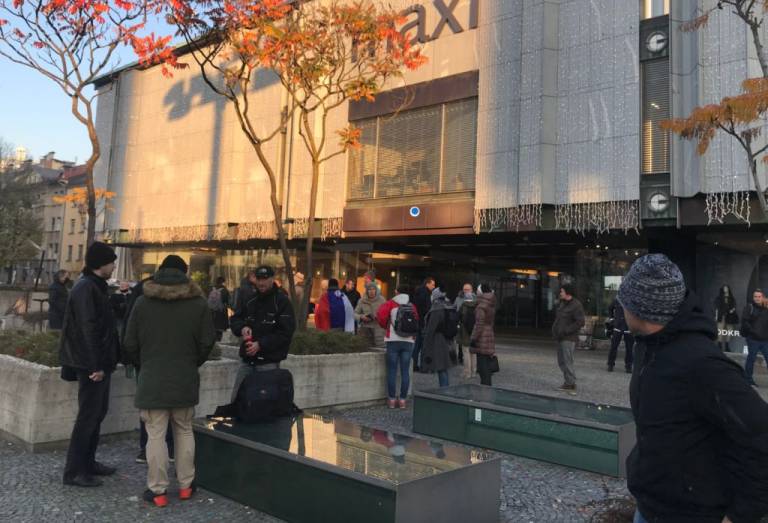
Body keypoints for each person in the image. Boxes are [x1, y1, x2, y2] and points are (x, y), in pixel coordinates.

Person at [618, 254, 768, 523]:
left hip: (692, 513)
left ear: (640, 309)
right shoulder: (647, 346)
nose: (621, 309)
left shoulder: (702, 365)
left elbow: (761, 434)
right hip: (650, 505)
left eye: (624, 302)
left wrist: (740, 515)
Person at [123, 255, 216, 507]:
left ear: (159, 272)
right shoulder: (198, 304)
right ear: (185, 273)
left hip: (152, 377)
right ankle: (186, 486)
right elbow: (208, 341)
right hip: (185, 377)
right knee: (184, 430)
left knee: (155, 434)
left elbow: (129, 342)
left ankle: (158, 490)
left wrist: (146, 363)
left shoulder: (143, 302)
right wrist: (191, 362)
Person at [59, 242, 119, 488]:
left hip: (98, 363)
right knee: (88, 417)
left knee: (96, 414)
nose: (113, 266)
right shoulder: (86, 287)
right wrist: (96, 366)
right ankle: (74, 471)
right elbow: (88, 329)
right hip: (90, 365)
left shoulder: (95, 286)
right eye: (111, 262)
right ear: (100, 264)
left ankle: (88, 463)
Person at [229, 265, 296, 402]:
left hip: (268, 363)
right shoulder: (250, 299)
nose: (261, 282)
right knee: (237, 401)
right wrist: (242, 328)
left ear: (272, 279)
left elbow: (285, 333)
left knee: (264, 404)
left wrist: (261, 344)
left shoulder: (282, 302)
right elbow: (235, 319)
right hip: (247, 361)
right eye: (259, 279)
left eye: (265, 279)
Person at [377, 285, 419, 409]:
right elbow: (416, 321)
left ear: (396, 292)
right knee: (405, 371)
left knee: (392, 370)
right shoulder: (412, 306)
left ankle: (391, 400)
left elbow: (381, 316)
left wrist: (386, 326)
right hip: (408, 341)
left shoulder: (390, 304)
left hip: (393, 340)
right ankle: (402, 400)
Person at [551, 283, 585, 394]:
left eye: (562, 291)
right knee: (561, 361)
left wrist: (566, 330)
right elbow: (559, 319)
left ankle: (570, 384)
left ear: (567, 292)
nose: (560, 293)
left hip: (569, 338)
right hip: (560, 337)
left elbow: (580, 322)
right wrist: (555, 330)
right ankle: (568, 382)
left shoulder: (576, 305)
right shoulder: (562, 304)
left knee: (567, 361)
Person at [422, 288, 455, 387]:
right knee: (444, 367)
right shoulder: (448, 305)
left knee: (441, 367)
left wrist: (426, 343)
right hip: (448, 338)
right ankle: (445, 388)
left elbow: (431, 328)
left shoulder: (437, 308)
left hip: (438, 340)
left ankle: (444, 390)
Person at [470, 283, 496, 386]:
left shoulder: (481, 306)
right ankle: (487, 386)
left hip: (482, 337)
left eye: (477, 291)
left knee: (482, 366)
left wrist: (473, 338)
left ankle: (485, 389)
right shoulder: (490, 303)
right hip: (489, 333)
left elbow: (479, 324)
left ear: (481, 292)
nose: (476, 293)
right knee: (487, 364)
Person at [740, 289, 768, 387]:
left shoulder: (766, 307)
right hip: (753, 339)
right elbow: (745, 322)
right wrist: (754, 332)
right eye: (755, 296)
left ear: (762, 297)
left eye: (759, 296)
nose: (757, 298)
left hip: (765, 340)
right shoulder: (749, 307)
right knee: (751, 359)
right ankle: (748, 379)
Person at [412, 277, 436, 372]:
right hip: (423, 323)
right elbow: (426, 309)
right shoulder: (425, 293)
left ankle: (414, 365)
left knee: (416, 346)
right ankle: (424, 367)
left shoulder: (418, 292)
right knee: (424, 346)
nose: (434, 287)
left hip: (417, 322)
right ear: (427, 284)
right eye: (432, 284)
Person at [606, 298, 633, 373]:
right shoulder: (617, 299)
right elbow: (610, 308)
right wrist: (612, 319)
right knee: (613, 347)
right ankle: (610, 364)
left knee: (629, 348)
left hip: (629, 327)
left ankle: (629, 366)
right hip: (617, 326)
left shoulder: (633, 299)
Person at [354, 282, 386, 347]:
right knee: (365, 349)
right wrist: (361, 317)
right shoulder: (362, 300)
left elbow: (386, 314)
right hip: (365, 330)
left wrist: (378, 317)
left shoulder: (382, 300)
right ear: (367, 291)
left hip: (378, 330)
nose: (371, 291)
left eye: (373, 289)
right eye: (369, 289)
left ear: (376, 290)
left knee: (379, 349)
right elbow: (355, 314)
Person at [454, 283, 476, 368]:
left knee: (470, 345)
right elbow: (455, 308)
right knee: (460, 343)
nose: (466, 291)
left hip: (472, 324)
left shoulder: (475, 298)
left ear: (471, 290)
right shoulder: (458, 298)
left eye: (468, 289)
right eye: (465, 289)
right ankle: (460, 358)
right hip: (461, 324)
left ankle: (470, 366)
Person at [714, 284, 739, 352]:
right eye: (724, 288)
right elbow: (716, 308)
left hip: (730, 317)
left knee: (729, 331)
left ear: (728, 289)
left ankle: (727, 346)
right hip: (721, 316)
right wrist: (716, 316)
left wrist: (732, 310)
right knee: (720, 331)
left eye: (726, 288)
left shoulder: (731, 298)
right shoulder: (719, 298)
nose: (725, 289)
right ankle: (719, 346)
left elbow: (734, 306)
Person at [208, 276, 231, 341]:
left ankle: (213, 340)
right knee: (220, 328)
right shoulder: (224, 290)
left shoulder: (211, 289)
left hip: (212, 311)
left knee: (213, 327)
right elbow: (228, 302)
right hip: (221, 312)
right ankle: (218, 340)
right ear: (223, 282)